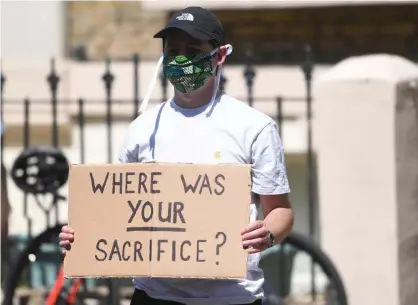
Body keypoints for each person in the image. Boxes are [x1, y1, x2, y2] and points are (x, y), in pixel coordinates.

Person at [60, 6, 294, 305]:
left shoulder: (254, 127)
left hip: (230, 297)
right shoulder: (143, 128)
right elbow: (116, 211)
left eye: (193, 49)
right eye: (173, 50)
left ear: (219, 56)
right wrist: (81, 236)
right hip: (154, 295)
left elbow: (281, 212)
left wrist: (267, 234)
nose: (181, 59)